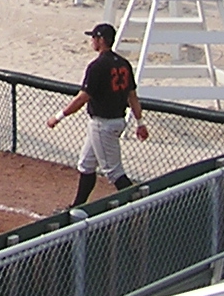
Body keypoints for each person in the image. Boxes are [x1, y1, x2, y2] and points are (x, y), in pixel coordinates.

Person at [46, 23, 148, 206]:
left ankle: (140, 205)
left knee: (114, 172)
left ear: (101, 40)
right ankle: (77, 207)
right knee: (86, 164)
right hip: (114, 121)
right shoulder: (124, 64)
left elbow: (82, 98)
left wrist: (58, 117)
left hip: (103, 125)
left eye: (94, 37)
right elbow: (132, 96)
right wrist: (140, 123)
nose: (92, 41)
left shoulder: (97, 66)